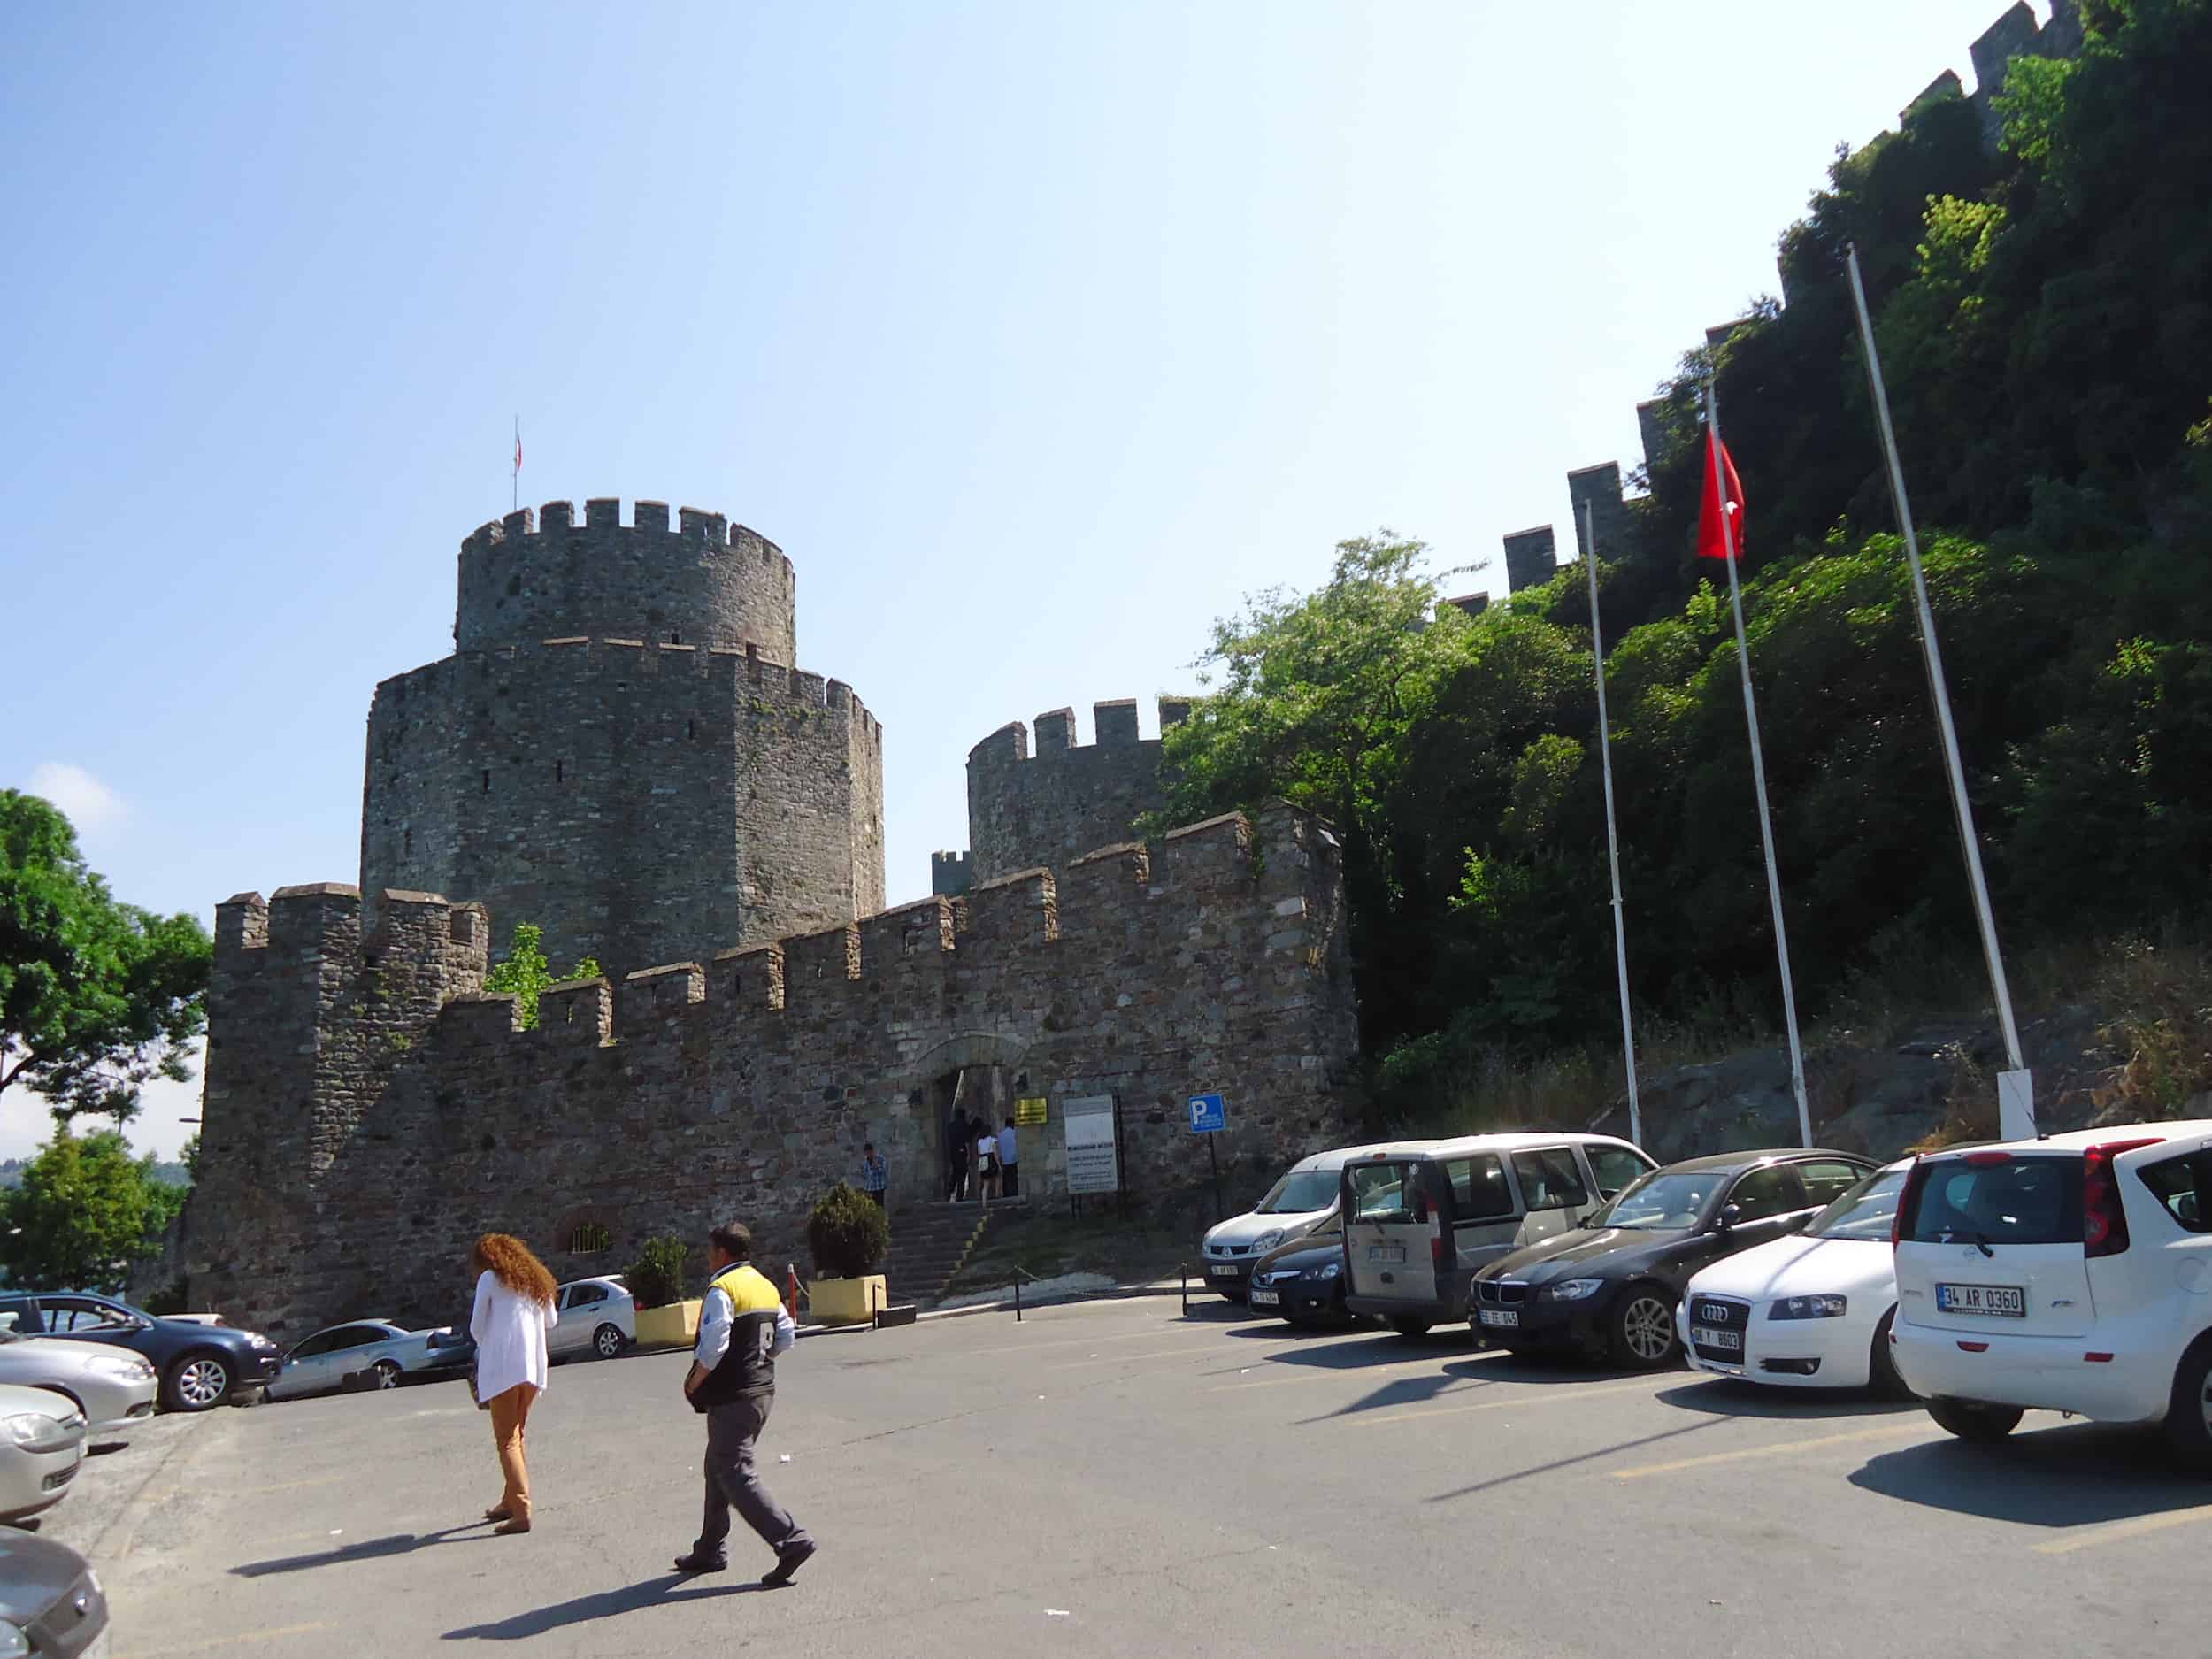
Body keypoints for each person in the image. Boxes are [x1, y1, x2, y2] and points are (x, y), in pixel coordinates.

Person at [674, 1220, 817, 1586]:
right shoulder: (765, 1285)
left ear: (721, 1252)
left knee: (735, 1470)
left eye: (710, 1251)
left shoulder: (724, 1288)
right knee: (717, 1464)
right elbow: (785, 1336)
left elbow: (714, 1345)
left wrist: (694, 1381)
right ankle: (710, 1548)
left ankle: (790, 1539)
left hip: (734, 1397)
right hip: (762, 1391)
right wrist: (756, 1362)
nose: (707, 1258)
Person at [469, 1233, 557, 1535]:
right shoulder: (534, 1279)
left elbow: (476, 1326)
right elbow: (551, 1321)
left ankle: (521, 1510)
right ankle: (509, 1501)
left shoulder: (489, 1280)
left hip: (504, 1368)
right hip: (532, 1368)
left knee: (506, 1439)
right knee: (517, 1436)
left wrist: (492, 1343)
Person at [946, 1108, 972, 1202]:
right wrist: (969, 1154)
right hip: (962, 1152)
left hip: (952, 1152)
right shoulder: (965, 1125)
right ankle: (959, 1196)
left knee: (955, 1173)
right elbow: (967, 1141)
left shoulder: (950, 1126)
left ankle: (949, 1193)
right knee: (962, 1173)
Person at [975, 1123, 1000, 1203]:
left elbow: (979, 1153)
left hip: (983, 1160)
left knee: (985, 1184)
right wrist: (999, 1165)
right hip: (991, 1159)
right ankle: (997, 1195)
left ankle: (984, 1203)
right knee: (998, 1176)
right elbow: (995, 1153)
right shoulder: (992, 1140)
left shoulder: (980, 1141)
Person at [997, 1115, 1019, 1198]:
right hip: (1014, 1159)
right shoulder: (1015, 1134)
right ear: (1012, 1124)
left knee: (1006, 1179)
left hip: (1004, 1160)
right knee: (1014, 1178)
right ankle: (1015, 1193)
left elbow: (998, 1148)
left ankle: (1006, 1194)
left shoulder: (1000, 1135)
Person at [860, 1142, 888, 1207]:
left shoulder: (881, 1158)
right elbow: (865, 1174)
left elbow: (884, 1172)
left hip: (879, 1188)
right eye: (866, 1153)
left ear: (872, 1151)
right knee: (871, 1208)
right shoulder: (865, 1160)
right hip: (869, 1189)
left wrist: (877, 1167)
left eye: (869, 1152)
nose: (868, 1155)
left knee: (880, 1207)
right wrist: (863, 1173)